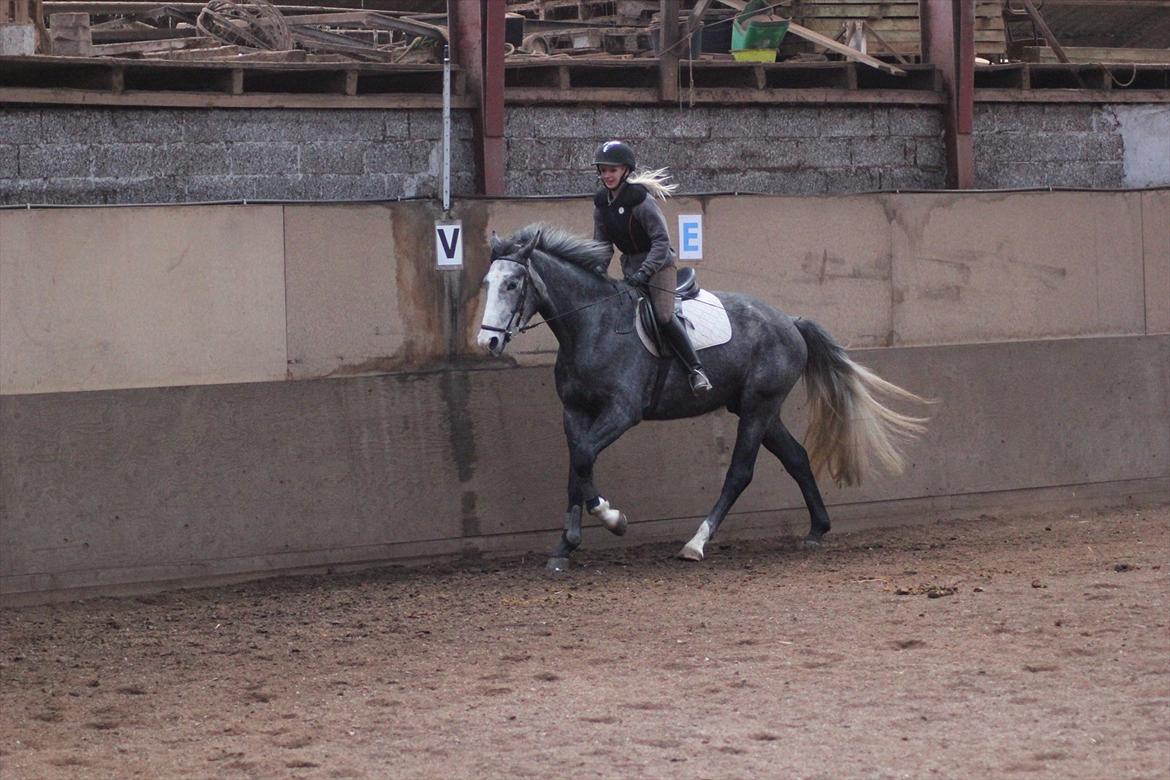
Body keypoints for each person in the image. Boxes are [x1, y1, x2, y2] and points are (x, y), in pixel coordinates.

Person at [591, 140, 713, 396]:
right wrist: (595, 272)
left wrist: (646, 271)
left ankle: (695, 369)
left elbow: (661, 241)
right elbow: (602, 245)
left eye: (612, 170)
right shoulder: (602, 204)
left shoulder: (641, 201)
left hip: (659, 266)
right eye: (603, 170)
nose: (607, 175)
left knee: (663, 315)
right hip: (631, 269)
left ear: (625, 171)